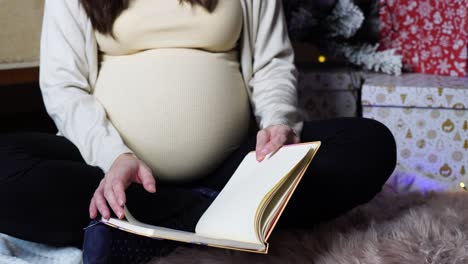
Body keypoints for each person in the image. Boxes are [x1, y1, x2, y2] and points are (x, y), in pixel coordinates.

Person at [0, 0, 396, 256]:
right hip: (108, 172)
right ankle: (205, 218)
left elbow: (271, 62)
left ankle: (144, 225)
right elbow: (64, 85)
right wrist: (113, 157)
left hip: (230, 169)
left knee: (369, 144)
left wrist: (278, 123)